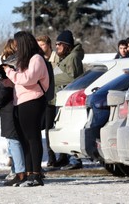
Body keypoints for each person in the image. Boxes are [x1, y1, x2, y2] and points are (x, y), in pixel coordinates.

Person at [3, 31, 49, 187]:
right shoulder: (25, 60)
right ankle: (29, 174)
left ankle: (36, 174)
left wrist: (9, 71)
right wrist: (6, 79)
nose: (15, 48)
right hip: (21, 102)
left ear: (23, 44)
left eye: (17, 45)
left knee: (32, 138)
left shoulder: (37, 59)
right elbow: (19, 80)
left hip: (33, 102)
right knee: (24, 140)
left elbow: (28, 79)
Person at [0, 39, 26, 186]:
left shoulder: (8, 67)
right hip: (18, 105)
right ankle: (19, 169)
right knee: (16, 140)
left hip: (9, 107)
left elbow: (4, 89)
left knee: (13, 141)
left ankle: (19, 171)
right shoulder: (23, 64)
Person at [54, 30, 84, 170]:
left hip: (71, 100)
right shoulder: (67, 57)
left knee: (70, 128)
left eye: (59, 44)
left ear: (66, 45)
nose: (57, 47)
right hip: (64, 99)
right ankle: (67, 157)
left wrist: (52, 79)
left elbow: (73, 78)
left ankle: (75, 160)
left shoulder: (72, 57)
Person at [36, 35, 59, 168]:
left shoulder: (57, 59)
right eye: (38, 45)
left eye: (42, 45)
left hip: (55, 98)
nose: (40, 48)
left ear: (49, 45)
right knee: (45, 128)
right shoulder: (38, 60)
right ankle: (51, 157)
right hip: (43, 99)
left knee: (52, 128)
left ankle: (57, 156)